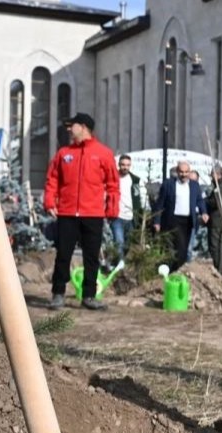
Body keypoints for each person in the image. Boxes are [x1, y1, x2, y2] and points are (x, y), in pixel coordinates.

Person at [44, 113, 119, 311]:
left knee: (91, 257)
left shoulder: (103, 153)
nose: (69, 129)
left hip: (92, 214)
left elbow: (113, 184)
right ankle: (58, 293)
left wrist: (112, 208)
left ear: (84, 127)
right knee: (63, 255)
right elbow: (53, 179)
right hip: (67, 213)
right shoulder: (64, 153)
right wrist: (49, 201)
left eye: (72, 125)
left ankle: (89, 296)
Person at [153, 161, 208, 273]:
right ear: (177, 172)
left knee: (183, 249)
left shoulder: (194, 185)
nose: (184, 175)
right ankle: (173, 271)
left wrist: (204, 212)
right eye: (181, 172)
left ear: (189, 172)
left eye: (186, 172)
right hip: (173, 220)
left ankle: (176, 270)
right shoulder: (169, 184)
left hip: (188, 221)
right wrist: (157, 221)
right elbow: (160, 204)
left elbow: (199, 200)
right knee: (179, 247)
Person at [110, 154, 142, 262]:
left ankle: (120, 261)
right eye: (123, 165)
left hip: (131, 217)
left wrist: (140, 213)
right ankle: (120, 265)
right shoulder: (113, 179)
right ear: (119, 165)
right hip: (117, 216)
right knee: (119, 242)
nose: (125, 167)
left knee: (127, 244)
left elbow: (139, 197)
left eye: (128, 165)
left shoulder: (135, 180)